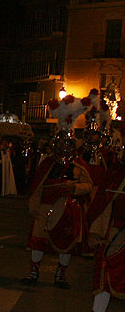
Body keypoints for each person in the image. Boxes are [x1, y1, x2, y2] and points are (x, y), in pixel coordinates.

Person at [21, 94, 93, 289]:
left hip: (69, 210)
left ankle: (60, 275)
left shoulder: (79, 165)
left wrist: (74, 187)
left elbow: (88, 186)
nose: (63, 147)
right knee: (38, 240)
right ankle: (34, 271)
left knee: (66, 242)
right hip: (45, 208)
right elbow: (37, 185)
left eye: (67, 144)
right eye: (60, 143)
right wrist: (34, 207)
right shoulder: (48, 163)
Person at [83, 134, 125, 312]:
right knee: (104, 278)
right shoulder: (117, 173)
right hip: (115, 234)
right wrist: (97, 231)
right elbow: (104, 203)